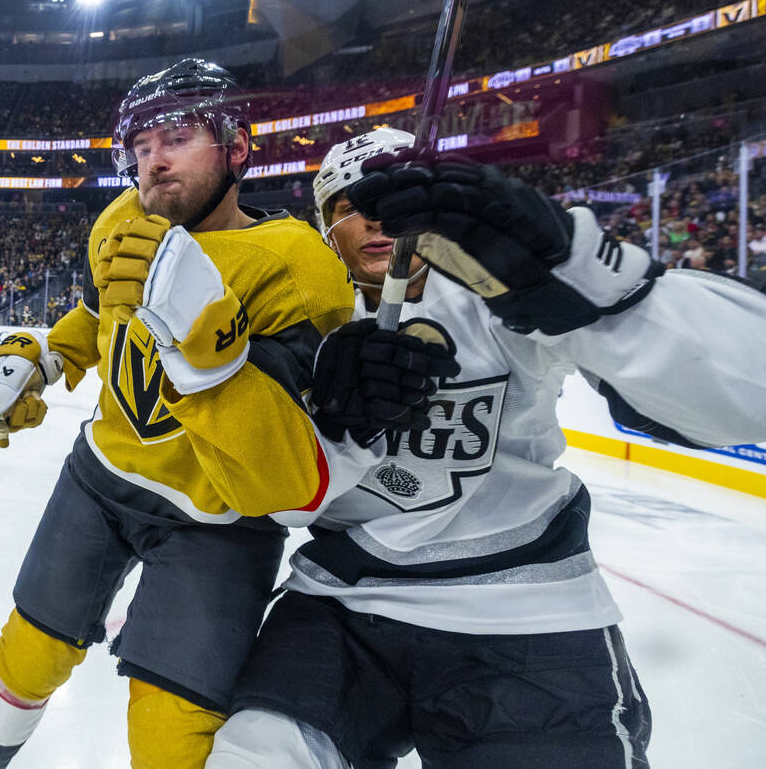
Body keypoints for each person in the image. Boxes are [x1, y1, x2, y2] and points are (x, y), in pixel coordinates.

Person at [207, 130, 766, 768]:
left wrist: (574, 277)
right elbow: (274, 501)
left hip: (527, 611)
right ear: (323, 227)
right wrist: (335, 425)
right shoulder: (291, 321)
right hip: (342, 604)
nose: (374, 221)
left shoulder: (502, 293)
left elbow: (751, 392)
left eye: (390, 204)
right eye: (347, 207)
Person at [0, 58, 354, 769]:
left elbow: (286, 479)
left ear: (236, 148)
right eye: (140, 149)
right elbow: (97, 315)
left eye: (175, 139)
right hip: (101, 479)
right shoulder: (121, 221)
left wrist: (212, 353)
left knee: (171, 729)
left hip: (218, 521)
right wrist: (43, 360)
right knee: (29, 656)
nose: (153, 163)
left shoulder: (297, 264)